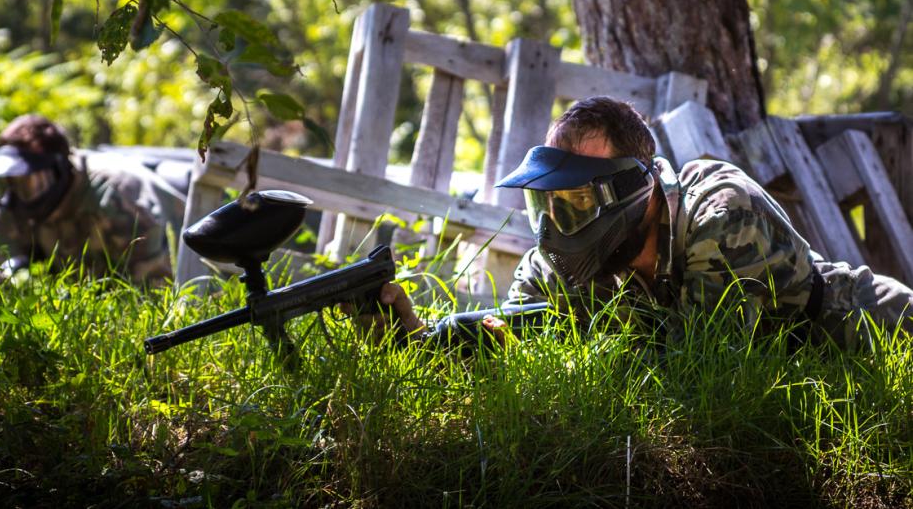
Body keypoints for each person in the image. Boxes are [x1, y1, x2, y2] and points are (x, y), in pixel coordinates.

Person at [377, 96, 913, 350]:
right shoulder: (561, 262)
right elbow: (516, 338)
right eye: (550, 203)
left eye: (576, 200)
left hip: (873, 335)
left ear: (638, 189)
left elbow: (701, 373)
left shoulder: (721, 213)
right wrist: (430, 342)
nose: (559, 222)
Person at [0, 115, 185, 286]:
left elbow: (157, 289)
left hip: (198, 276)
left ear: (59, 170)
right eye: (8, 182)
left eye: (29, 183)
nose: (18, 194)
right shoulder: (10, 204)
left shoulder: (115, 195)